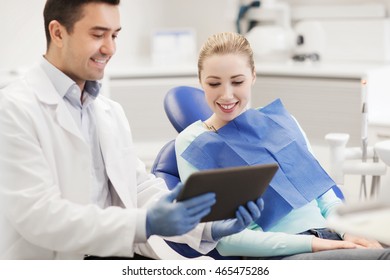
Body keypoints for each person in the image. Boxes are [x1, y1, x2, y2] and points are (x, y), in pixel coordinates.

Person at [0, 1, 264, 260]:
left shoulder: (109, 111)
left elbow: (138, 190)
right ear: (58, 33)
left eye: (114, 35)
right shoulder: (13, 110)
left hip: (117, 255)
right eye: (98, 34)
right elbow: (39, 216)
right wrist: (144, 223)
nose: (110, 48)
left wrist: (207, 226)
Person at [175, 31, 390, 260]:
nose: (226, 95)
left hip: (334, 238)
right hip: (290, 254)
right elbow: (226, 241)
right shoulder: (194, 143)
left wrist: (351, 234)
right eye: (214, 83)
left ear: (253, 76)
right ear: (200, 80)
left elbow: (326, 198)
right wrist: (316, 245)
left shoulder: (282, 122)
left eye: (237, 81)